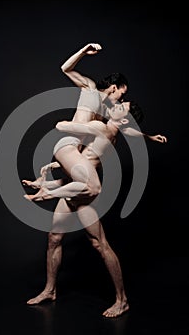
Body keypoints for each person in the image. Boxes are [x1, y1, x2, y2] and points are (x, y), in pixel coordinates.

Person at [23, 43, 167, 318]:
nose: (121, 99)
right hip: (72, 174)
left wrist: (145, 135)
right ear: (114, 87)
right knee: (54, 237)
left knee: (99, 243)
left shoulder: (107, 120)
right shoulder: (92, 94)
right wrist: (84, 49)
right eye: (122, 94)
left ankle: (122, 300)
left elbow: (123, 128)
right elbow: (66, 68)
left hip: (84, 185)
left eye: (123, 101)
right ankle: (50, 290)